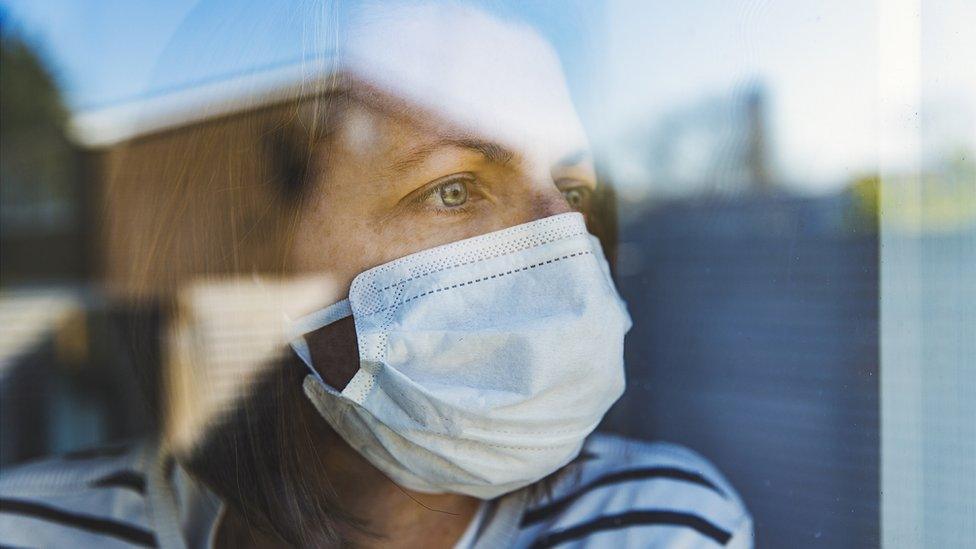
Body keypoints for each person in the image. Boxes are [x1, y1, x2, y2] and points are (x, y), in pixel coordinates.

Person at [0, 2, 751, 547]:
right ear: (246, 251)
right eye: (453, 189)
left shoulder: (660, 528)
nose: (563, 245)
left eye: (575, 191)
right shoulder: (31, 532)